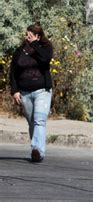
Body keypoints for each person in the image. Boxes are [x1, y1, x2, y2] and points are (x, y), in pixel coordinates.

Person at [9, 23, 53, 162]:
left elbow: (46, 59)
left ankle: (37, 150)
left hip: (42, 91)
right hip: (25, 92)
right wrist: (15, 91)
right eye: (27, 34)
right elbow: (12, 73)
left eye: (31, 35)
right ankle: (37, 149)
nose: (28, 37)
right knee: (32, 122)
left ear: (38, 36)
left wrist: (35, 44)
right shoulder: (19, 51)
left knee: (39, 120)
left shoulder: (45, 48)